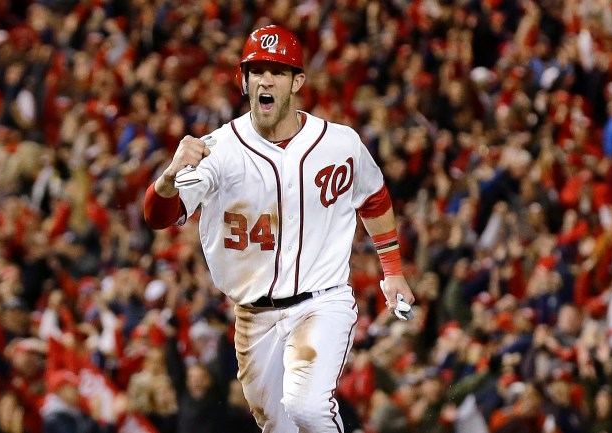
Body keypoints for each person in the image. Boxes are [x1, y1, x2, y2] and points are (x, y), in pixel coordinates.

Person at [143, 24, 415, 432]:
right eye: (256, 70)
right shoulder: (218, 150)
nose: (265, 79)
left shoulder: (339, 143)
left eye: (278, 70)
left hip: (322, 301)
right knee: (281, 427)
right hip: (254, 318)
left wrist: (392, 271)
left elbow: (373, 197)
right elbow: (158, 217)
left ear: (297, 81)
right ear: (244, 80)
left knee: (308, 407)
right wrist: (166, 177)